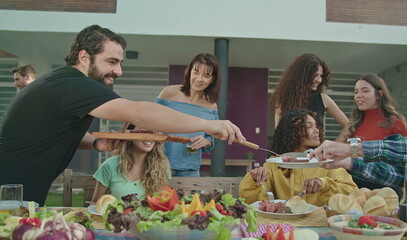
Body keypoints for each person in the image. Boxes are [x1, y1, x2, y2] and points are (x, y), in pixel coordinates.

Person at [0, 25, 245, 206]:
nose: (118, 71)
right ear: (84, 57)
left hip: (20, 193)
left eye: (120, 62)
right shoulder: (77, 86)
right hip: (8, 194)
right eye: (112, 61)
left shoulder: (63, 83)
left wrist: (95, 143)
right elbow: (140, 113)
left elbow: (57, 130)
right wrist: (208, 124)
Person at [309, 97, 407, 222]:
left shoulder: (393, 121)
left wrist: (352, 149)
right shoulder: (358, 122)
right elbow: (405, 174)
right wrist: (349, 162)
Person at [239, 109, 357, 206]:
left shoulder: (327, 162)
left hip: (318, 222)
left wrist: (323, 184)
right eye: (309, 126)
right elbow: (251, 202)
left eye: (316, 126)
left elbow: (351, 192)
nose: (317, 131)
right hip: (284, 224)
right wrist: (255, 180)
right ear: (292, 131)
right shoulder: (274, 163)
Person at [348, 73, 407, 197]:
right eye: (356, 92)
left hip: (386, 188)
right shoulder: (355, 123)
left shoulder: (395, 122)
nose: (358, 96)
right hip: (358, 188)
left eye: (365, 91)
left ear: (379, 94)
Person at [156, 53, 219, 177]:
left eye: (206, 75)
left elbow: (210, 140)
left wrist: (205, 141)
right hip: (160, 166)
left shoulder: (211, 106)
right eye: (196, 72)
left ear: (212, 79)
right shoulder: (169, 93)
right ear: (189, 72)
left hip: (190, 170)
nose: (199, 79)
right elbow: (151, 121)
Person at [270, 53, 350, 142]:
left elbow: (348, 126)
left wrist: (334, 145)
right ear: (302, 75)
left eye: (321, 76)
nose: (319, 80)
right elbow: (279, 133)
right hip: (290, 153)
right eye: (315, 75)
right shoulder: (283, 99)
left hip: (317, 154)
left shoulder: (323, 99)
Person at [91, 123, 170, 201]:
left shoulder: (162, 165)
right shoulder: (110, 165)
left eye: (152, 133)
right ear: (128, 135)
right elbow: (95, 205)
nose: (149, 138)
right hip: (116, 214)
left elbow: (161, 203)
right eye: (143, 132)